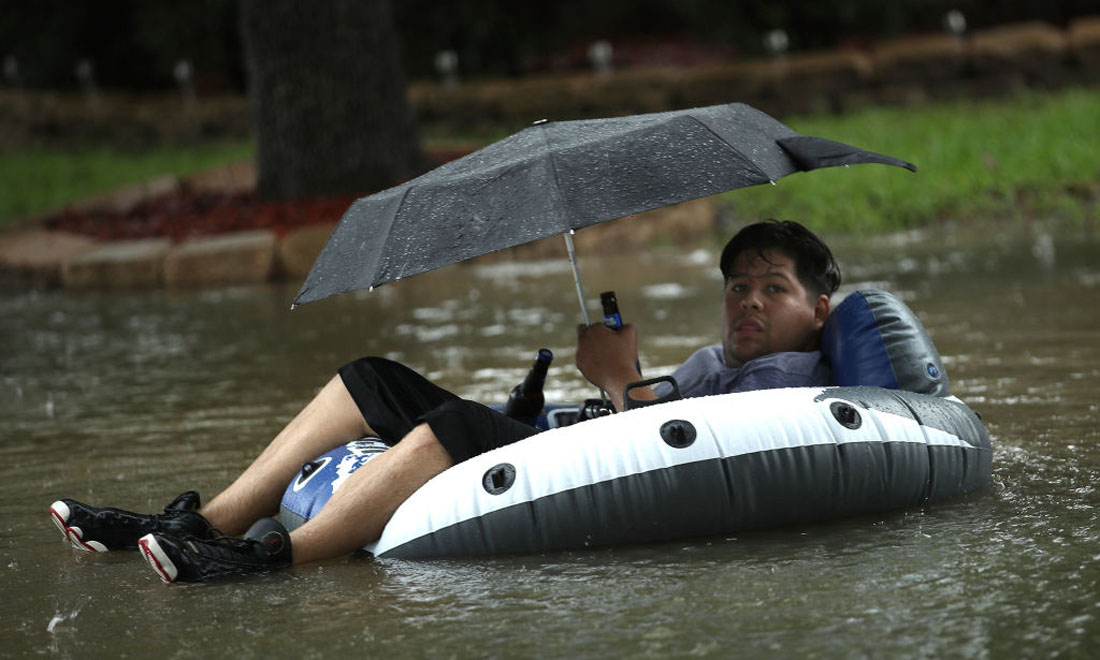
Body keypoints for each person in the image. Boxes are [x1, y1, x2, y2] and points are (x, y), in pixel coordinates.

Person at [49, 219, 840, 583]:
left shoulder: (793, 381)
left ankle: (268, 558)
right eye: (738, 286)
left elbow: (680, 467)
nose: (748, 300)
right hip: (577, 450)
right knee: (372, 377)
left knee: (455, 425)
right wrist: (587, 394)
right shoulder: (710, 362)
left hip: (615, 477)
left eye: (774, 288)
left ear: (818, 310)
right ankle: (198, 522)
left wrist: (613, 377)